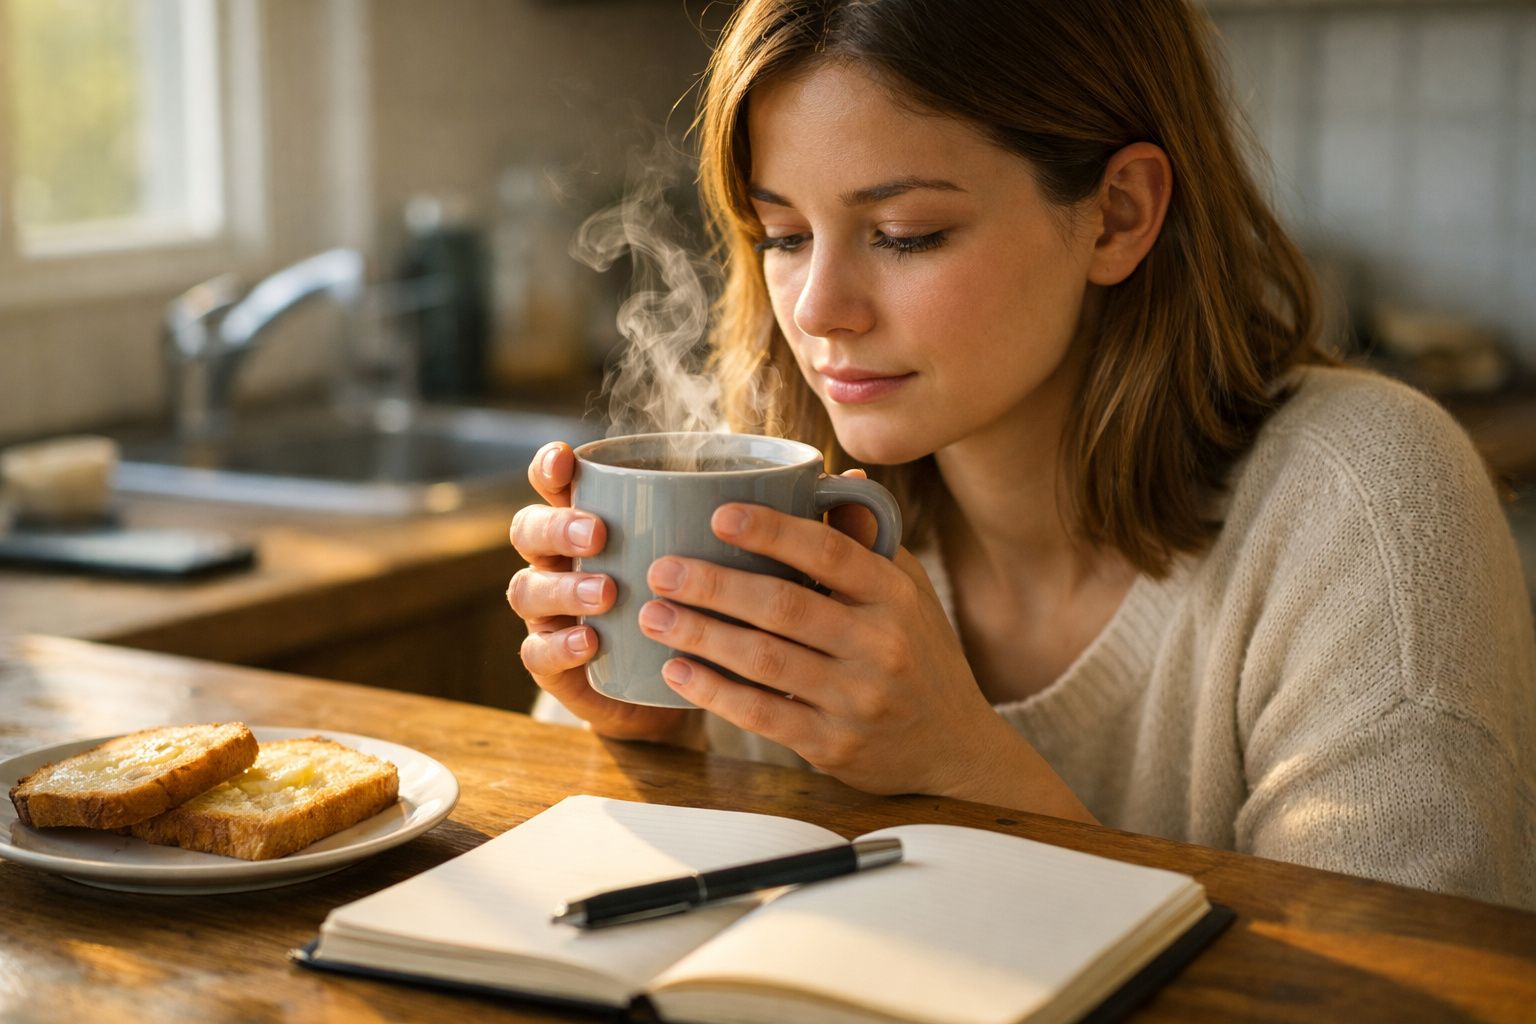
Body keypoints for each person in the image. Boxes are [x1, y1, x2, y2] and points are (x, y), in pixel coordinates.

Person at [507, 0, 1536, 908]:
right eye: (781, 235)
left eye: (905, 233)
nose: (818, 311)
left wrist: (963, 765)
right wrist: (649, 738)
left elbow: (1385, 990)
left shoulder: (1367, 505)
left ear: (1118, 215)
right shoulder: (785, 490)